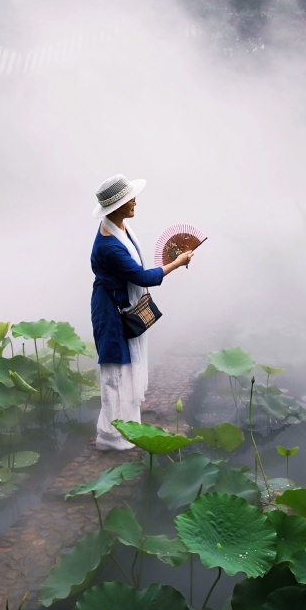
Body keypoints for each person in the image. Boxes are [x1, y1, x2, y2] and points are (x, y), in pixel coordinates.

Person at [90, 174, 194, 451]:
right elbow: (141, 277)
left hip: (119, 302)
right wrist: (176, 262)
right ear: (115, 207)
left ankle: (128, 427)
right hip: (111, 311)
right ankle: (111, 436)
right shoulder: (109, 245)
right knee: (116, 373)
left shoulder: (118, 228)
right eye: (129, 199)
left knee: (126, 371)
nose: (135, 201)